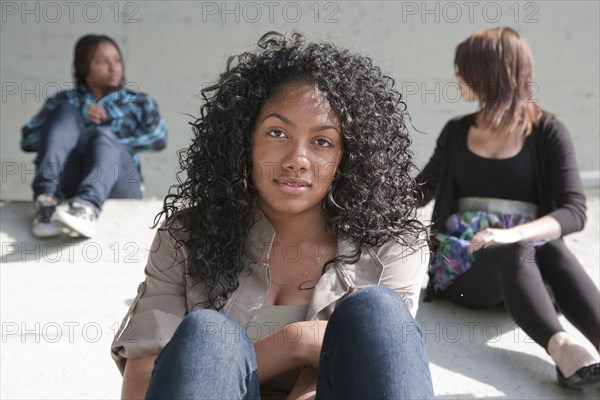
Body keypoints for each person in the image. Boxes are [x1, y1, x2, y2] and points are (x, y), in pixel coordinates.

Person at [111, 32, 433, 399]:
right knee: (208, 337)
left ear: (347, 158)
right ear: (243, 140)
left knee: (377, 312)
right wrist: (294, 342)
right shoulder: (185, 237)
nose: (297, 159)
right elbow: (143, 386)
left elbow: (377, 365)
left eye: (322, 141)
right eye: (277, 133)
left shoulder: (391, 245)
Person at [417, 27, 600, 389]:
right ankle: (564, 351)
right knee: (516, 249)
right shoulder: (456, 132)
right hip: (464, 270)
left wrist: (510, 233)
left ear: (489, 73)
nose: (456, 76)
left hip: (525, 269)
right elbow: (417, 192)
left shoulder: (547, 131)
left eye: (463, 68)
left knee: (545, 248)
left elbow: (574, 211)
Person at [21, 34, 167, 238]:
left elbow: (158, 139)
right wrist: (79, 119)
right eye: (102, 61)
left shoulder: (139, 101)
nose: (113, 67)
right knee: (66, 112)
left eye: (117, 60)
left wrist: (106, 135)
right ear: (83, 66)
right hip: (71, 179)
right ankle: (46, 200)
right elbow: (27, 141)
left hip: (120, 182)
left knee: (103, 135)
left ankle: (86, 207)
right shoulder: (62, 100)